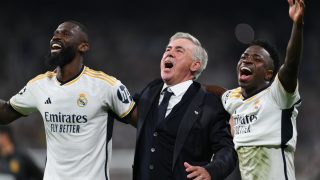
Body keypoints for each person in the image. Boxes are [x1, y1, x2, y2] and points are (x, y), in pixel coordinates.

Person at [0, 21, 135, 180]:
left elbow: (144, 122)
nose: (56, 37)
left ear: (83, 46)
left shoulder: (106, 87)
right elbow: (5, 113)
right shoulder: (39, 85)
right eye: (55, 34)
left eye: (65, 34)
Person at [131, 32, 237, 180]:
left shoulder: (209, 103)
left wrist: (211, 171)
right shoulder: (151, 90)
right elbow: (124, 107)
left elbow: (227, 150)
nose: (170, 53)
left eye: (178, 50)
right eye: (168, 49)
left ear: (195, 65)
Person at [221, 0, 305, 179]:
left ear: (268, 75)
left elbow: (290, 66)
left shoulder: (277, 95)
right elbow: (218, 93)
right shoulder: (233, 97)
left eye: (256, 59)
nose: (247, 60)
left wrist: (298, 25)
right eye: (244, 57)